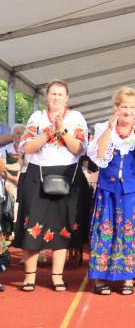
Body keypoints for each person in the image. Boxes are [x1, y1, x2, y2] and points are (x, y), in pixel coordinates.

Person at [15, 79, 92, 292]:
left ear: (66, 97)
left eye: (60, 94)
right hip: (38, 175)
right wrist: (48, 133)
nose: (56, 98)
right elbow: (27, 148)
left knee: (62, 227)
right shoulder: (37, 117)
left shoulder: (76, 118)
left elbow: (80, 149)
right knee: (33, 224)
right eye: (53, 94)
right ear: (46, 97)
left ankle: (57, 276)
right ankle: (29, 276)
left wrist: (63, 131)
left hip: (68, 175)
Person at [86, 87, 135, 295]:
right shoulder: (103, 126)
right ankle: (100, 279)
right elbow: (98, 156)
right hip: (108, 188)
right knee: (105, 231)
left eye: (132, 107)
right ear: (116, 107)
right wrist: (109, 130)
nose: (128, 111)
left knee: (131, 231)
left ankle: (128, 277)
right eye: (124, 107)